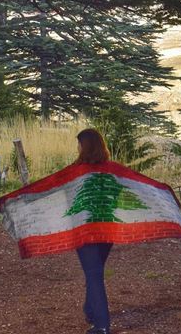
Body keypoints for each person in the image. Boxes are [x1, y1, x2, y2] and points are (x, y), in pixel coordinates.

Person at [74, 128, 114, 334]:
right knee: (95, 272)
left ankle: (102, 325)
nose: (77, 148)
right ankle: (90, 309)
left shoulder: (76, 171)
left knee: (93, 274)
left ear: (85, 147)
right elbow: (116, 196)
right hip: (107, 230)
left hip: (86, 231)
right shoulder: (112, 170)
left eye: (79, 144)